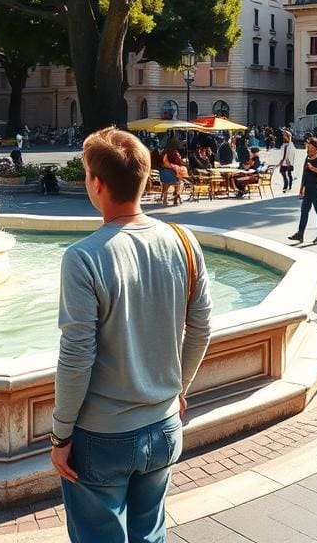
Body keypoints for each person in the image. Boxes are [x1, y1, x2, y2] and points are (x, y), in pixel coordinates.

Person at [50, 127, 212, 543]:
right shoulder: (183, 240)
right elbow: (201, 326)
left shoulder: (84, 257)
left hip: (101, 436)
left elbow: (76, 356)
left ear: (97, 184)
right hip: (163, 426)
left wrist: (61, 433)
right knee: (150, 535)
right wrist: (179, 389)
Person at [288, 137, 317, 245]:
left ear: (316, 148)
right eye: (308, 147)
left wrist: (313, 169)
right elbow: (305, 173)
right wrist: (302, 188)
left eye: (311, 148)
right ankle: (300, 234)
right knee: (304, 211)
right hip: (308, 188)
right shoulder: (308, 157)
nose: (309, 150)